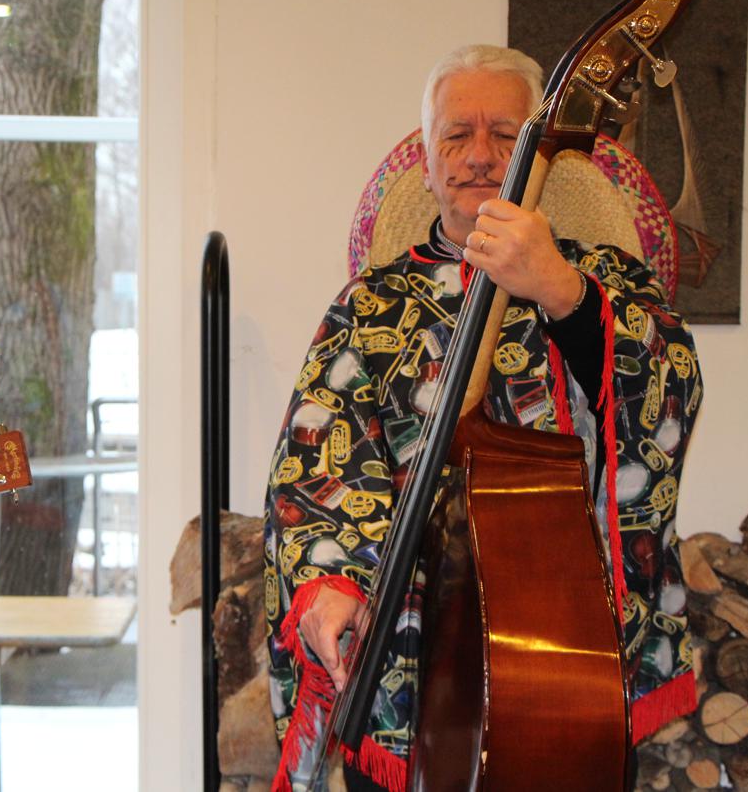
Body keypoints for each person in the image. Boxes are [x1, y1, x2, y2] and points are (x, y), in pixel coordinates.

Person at [263, 45, 703, 791]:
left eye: (504, 134)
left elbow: (668, 397)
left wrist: (561, 289)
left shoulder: (603, 281)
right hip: (411, 658)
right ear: (427, 165)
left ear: (540, 158)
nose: (478, 156)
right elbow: (313, 463)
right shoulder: (370, 305)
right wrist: (328, 582)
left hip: (571, 660)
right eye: (456, 136)